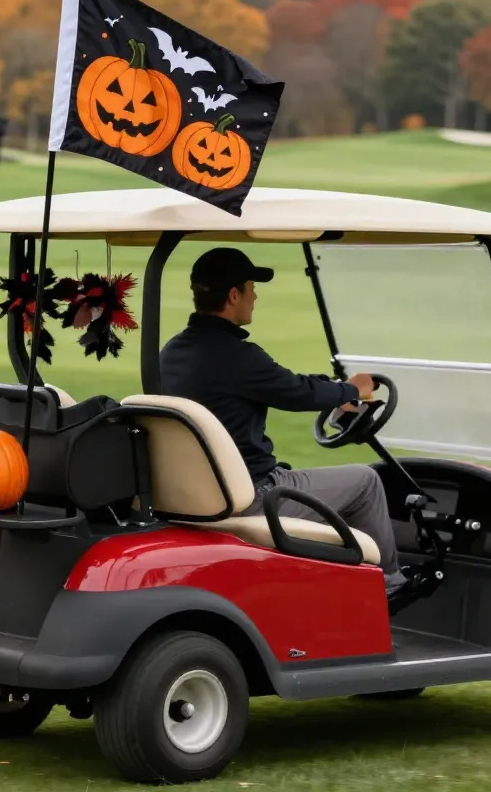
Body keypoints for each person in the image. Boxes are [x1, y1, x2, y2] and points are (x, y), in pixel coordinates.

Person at [159, 246, 408, 594]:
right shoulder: (237, 357)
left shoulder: (172, 352)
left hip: (196, 494)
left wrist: (336, 389)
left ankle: (338, 584)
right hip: (254, 496)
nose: (255, 296)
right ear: (234, 295)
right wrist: (352, 391)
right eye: (251, 287)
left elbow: (286, 383)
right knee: (366, 482)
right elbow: (299, 394)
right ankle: (390, 584)